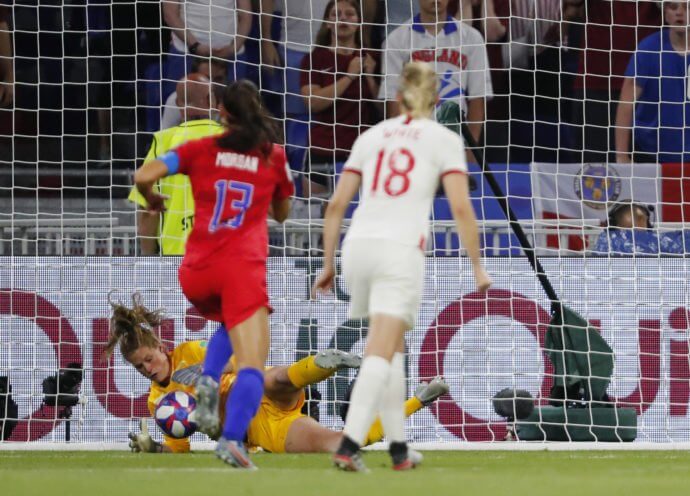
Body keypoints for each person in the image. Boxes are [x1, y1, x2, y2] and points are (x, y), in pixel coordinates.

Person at [313, 62, 492, 472]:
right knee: (381, 349)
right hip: (399, 249)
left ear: (395, 98)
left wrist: (327, 263)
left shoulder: (371, 136)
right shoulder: (444, 139)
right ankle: (350, 443)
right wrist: (478, 267)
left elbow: (337, 204)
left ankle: (397, 448)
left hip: (357, 246)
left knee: (393, 350)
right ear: (437, 101)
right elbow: (461, 206)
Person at [133, 80, 293, 469]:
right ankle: (233, 441)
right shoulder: (273, 157)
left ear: (221, 114)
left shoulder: (199, 149)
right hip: (240, 270)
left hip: (195, 271)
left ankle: (205, 381)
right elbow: (282, 213)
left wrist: (155, 200)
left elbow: (143, 176)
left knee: (228, 324)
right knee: (252, 363)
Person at [105, 293, 450, 454]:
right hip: (263, 429)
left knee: (273, 378)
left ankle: (325, 363)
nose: (147, 369)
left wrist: (211, 372)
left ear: (161, 346)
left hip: (254, 388)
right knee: (336, 443)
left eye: (148, 359)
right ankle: (418, 400)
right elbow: (179, 451)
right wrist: (155, 449)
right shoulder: (159, 403)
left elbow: (247, 357)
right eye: (139, 367)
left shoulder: (193, 354)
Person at [378, 0, 493, 164]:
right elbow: (393, 104)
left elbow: (478, 99)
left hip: (457, 144)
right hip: (413, 146)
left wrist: (471, 153)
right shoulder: (396, 40)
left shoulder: (472, 38)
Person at [129, 73, 224, 256]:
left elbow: (149, 212)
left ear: (179, 104)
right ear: (211, 101)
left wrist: (149, 262)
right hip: (227, 256)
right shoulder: (235, 141)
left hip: (177, 257)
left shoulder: (162, 144)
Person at [299, 0, 379, 197]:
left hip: (361, 152)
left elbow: (384, 108)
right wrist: (349, 76)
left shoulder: (373, 58)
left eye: (350, 13)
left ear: (359, 21)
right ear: (327, 23)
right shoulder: (314, 59)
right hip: (323, 149)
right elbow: (312, 102)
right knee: (317, 220)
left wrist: (369, 75)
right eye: (336, 14)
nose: (343, 18)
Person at [615, 1, 690, 164]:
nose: (680, 12)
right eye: (673, 6)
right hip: (651, 156)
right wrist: (621, 156)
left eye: (687, 6)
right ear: (664, 13)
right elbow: (626, 104)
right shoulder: (648, 50)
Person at [161, 0, 253, 102]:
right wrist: (195, 46)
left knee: (234, 106)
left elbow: (246, 16)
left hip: (231, 56)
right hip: (186, 53)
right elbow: (170, 14)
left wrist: (233, 48)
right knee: (180, 106)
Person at [160, 58, 229, 131]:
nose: (212, 84)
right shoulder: (179, 98)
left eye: (218, 78)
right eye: (206, 78)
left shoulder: (232, 100)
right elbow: (165, 132)